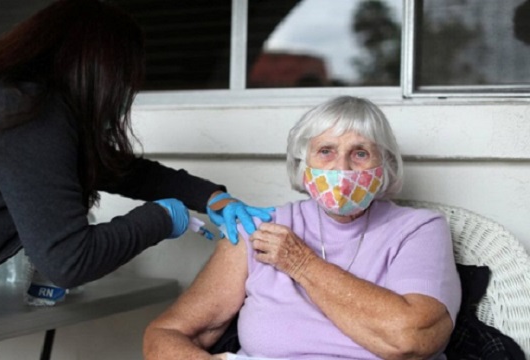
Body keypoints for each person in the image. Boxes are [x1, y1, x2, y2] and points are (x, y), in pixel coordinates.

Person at [0, 1, 273, 359]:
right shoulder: (25, 119)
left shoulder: (0, 101)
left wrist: (210, 197)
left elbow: (119, 169)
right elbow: (68, 261)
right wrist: (161, 218)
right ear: (104, 71)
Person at [143, 96, 462, 360]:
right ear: (302, 164)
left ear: (386, 167)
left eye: (360, 153)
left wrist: (301, 263)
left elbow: (412, 339)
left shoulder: (418, 229)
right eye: (326, 151)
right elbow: (164, 337)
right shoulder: (260, 227)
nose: (342, 168)